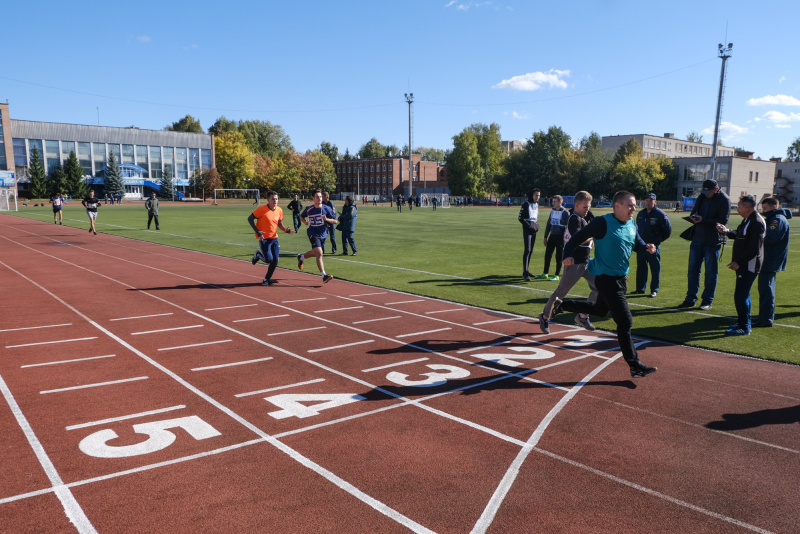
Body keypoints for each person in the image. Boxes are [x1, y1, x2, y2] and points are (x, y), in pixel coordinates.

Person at [551, 190, 658, 378]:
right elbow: (577, 237)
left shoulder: (631, 224)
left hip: (621, 278)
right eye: (630, 205)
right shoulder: (602, 223)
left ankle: (562, 304)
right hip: (605, 279)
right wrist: (567, 255)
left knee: (600, 310)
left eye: (635, 205)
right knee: (625, 321)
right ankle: (634, 365)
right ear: (617, 206)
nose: (634, 208)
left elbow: (637, 244)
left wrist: (647, 247)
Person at [539, 191, 597, 334]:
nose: (587, 210)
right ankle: (545, 316)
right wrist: (593, 236)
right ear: (577, 205)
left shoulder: (582, 217)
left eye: (589, 207)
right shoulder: (574, 219)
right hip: (574, 264)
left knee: (600, 288)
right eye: (585, 207)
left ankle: (583, 316)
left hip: (586, 263)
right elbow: (578, 238)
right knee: (561, 293)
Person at [715, 195, 766, 336]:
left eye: (739, 206)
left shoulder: (756, 222)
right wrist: (727, 231)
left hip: (749, 266)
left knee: (740, 296)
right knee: (744, 295)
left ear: (747, 208)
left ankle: (744, 327)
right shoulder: (747, 220)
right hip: (745, 265)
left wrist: (739, 262)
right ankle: (743, 322)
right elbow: (740, 235)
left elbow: (754, 248)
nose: (737, 209)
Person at [678, 179, 730, 310]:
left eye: (709, 191)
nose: (706, 194)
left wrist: (704, 220)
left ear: (716, 189)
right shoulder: (702, 196)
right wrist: (693, 217)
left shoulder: (724, 200)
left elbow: (723, 220)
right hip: (698, 238)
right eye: (705, 191)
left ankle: (707, 300)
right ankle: (690, 299)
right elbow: (694, 212)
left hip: (713, 240)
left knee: (711, 272)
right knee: (693, 270)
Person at [753, 197, 791, 328]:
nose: (763, 211)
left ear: (774, 207)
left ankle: (765, 319)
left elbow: (771, 239)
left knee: (766, 290)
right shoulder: (774, 218)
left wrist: (756, 235)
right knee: (765, 289)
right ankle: (764, 317)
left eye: (765, 208)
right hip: (769, 258)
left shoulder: (777, 220)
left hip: (770, 259)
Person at [248, 190, 295, 286]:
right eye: (273, 199)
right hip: (264, 238)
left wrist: (286, 230)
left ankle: (266, 280)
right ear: (268, 199)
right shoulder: (261, 210)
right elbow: (250, 219)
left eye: (277, 199)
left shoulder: (279, 210)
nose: (275, 201)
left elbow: (279, 224)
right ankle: (257, 255)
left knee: (275, 260)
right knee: (269, 259)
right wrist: (257, 231)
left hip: (274, 239)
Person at [633, 192, 672, 298]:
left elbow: (668, 231)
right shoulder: (641, 214)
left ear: (655, 202)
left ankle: (654, 290)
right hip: (642, 246)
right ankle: (640, 289)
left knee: (655, 268)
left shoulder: (661, 215)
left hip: (654, 247)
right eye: (646, 200)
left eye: (650, 200)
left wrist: (657, 241)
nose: (648, 202)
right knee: (641, 267)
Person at [297, 189, 338, 283]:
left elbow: (335, 221)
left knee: (316, 253)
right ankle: (324, 276)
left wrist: (327, 219)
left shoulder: (326, 208)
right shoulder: (309, 209)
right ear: (313, 198)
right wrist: (305, 222)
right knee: (319, 252)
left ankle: (301, 257)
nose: (319, 198)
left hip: (323, 234)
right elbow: (301, 216)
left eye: (320, 196)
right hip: (312, 232)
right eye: (317, 197)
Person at [536, 194, 569, 281]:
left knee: (559, 256)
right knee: (547, 255)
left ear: (560, 202)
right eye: (552, 201)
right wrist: (545, 236)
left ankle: (556, 275)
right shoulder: (552, 211)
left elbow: (569, 225)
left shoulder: (565, 213)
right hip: (552, 236)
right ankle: (545, 273)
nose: (553, 203)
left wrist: (566, 234)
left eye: (555, 201)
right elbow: (549, 224)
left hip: (560, 237)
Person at [518, 188, 541, 282]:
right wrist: (529, 226)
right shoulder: (526, 204)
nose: (538, 197)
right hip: (527, 229)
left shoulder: (536, 204)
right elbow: (520, 218)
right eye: (536, 195)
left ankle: (527, 270)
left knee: (530, 250)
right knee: (527, 249)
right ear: (532, 195)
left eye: (539, 195)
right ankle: (525, 273)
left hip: (533, 228)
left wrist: (535, 226)